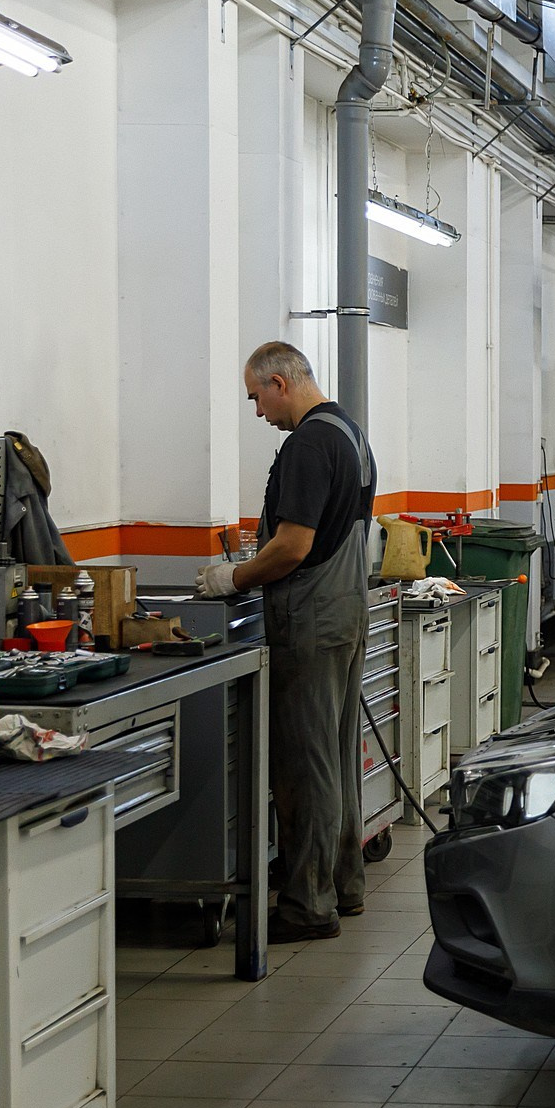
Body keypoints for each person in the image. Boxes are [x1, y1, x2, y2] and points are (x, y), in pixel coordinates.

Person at [198, 342, 377, 943]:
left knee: (306, 763)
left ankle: (307, 904)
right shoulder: (351, 432)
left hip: (312, 616)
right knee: (336, 754)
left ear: (279, 382)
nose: (257, 412)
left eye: (256, 397)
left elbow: (293, 546)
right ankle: (344, 885)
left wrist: (233, 577)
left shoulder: (307, 443)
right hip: (348, 607)